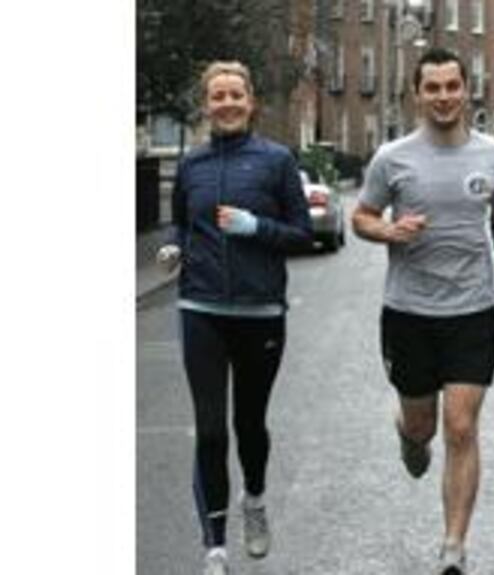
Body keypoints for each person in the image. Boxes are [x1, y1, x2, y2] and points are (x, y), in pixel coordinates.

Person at [350, 47, 494, 575]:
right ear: (417, 94)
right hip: (408, 312)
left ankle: (454, 546)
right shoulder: (392, 158)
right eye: (433, 88)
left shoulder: (493, 154)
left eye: (453, 86)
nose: (444, 97)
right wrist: (388, 229)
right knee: (426, 427)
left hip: (472, 310)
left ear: (466, 89)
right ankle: (408, 432)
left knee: (461, 428)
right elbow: (361, 217)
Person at [155, 61, 313, 575]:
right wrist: (174, 249)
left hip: (260, 311)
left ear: (251, 102)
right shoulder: (193, 165)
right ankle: (215, 546)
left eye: (235, 95)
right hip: (200, 307)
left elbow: (301, 233)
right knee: (210, 430)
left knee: (249, 425)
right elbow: (181, 225)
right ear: (208, 104)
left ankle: (256, 500)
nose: (226, 104)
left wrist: (255, 226)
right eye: (217, 96)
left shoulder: (276, 162)